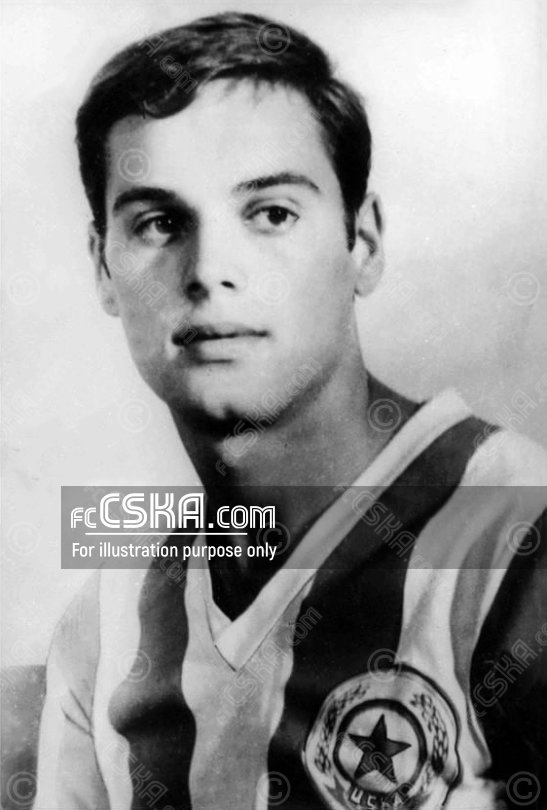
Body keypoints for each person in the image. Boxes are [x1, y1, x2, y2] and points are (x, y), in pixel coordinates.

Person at [33, 11, 547, 810]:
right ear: (103, 267)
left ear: (361, 242)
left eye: (270, 213)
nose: (209, 270)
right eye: (158, 223)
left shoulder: (517, 540)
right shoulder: (108, 622)